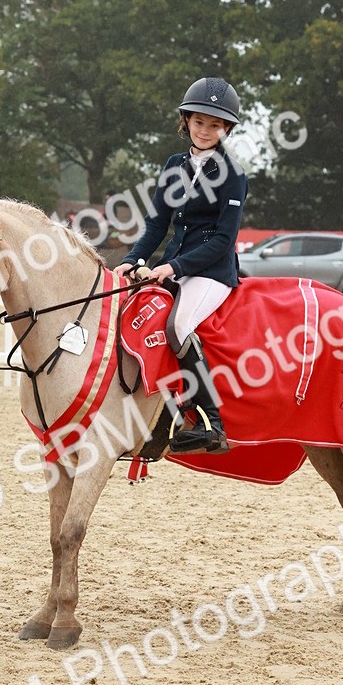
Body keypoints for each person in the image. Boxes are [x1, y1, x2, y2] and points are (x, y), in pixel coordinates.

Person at [117, 76, 248, 453]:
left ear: (226, 129)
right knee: (138, 319)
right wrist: (132, 260)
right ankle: (160, 413)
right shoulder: (175, 165)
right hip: (176, 263)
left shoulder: (233, 175)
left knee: (176, 326)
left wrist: (173, 269)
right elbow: (158, 223)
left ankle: (212, 424)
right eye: (199, 122)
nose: (205, 130)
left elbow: (224, 240)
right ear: (186, 120)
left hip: (212, 270)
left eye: (215, 124)